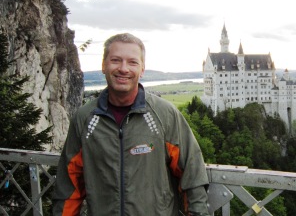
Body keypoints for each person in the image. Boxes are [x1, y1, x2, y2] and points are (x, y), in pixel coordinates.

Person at [53, 33, 210, 216]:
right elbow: (69, 188)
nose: (123, 69)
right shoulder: (84, 119)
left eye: (132, 62)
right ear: (103, 66)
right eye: (116, 60)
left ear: (142, 69)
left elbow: (192, 176)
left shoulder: (165, 115)